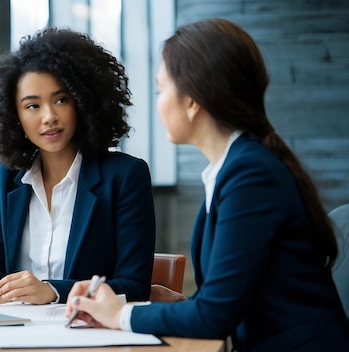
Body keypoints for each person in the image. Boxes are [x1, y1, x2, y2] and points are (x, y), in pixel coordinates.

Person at [66, 18, 349, 351]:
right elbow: (234, 293)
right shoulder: (235, 167)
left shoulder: (250, 176)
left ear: (192, 100)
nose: (157, 102)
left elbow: (215, 316)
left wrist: (120, 315)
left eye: (161, 90)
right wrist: (179, 302)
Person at [0, 27, 156, 305]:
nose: (49, 117)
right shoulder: (10, 176)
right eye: (32, 106)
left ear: (82, 102)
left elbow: (134, 286)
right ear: (15, 116)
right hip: (20, 330)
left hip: (86, 332)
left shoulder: (124, 176)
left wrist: (53, 291)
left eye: (61, 100)